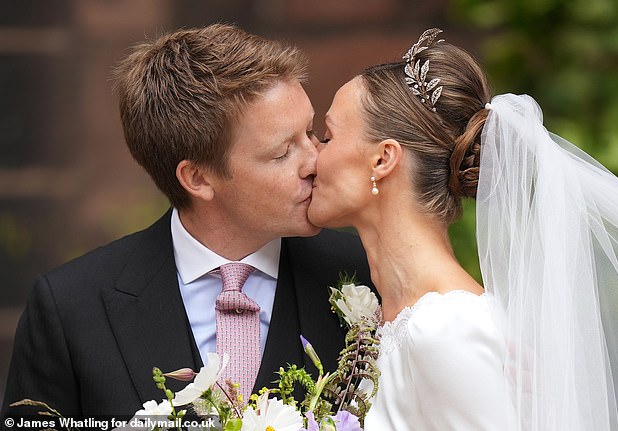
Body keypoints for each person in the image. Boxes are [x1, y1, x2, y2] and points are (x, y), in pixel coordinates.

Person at [1, 23, 371, 420]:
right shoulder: (70, 309)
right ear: (198, 178)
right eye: (283, 152)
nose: (315, 161)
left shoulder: (363, 274)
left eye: (311, 133)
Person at [308, 28, 618, 430]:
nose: (312, 155)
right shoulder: (388, 320)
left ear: (383, 160)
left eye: (327, 136)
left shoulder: (450, 329)